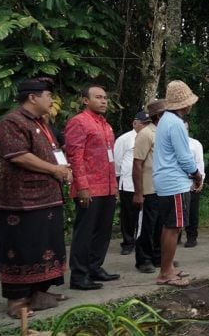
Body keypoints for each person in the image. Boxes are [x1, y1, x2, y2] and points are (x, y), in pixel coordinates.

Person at [0, 78, 71, 317]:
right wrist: (54, 170)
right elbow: (18, 156)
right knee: (23, 248)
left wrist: (63, 169)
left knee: (46, 247)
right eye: (48, 96)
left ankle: (39, 292)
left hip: (47, 196)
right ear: (32, 97)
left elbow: (54, 151)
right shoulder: (11, 122)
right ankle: (16, 302)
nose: (52, 101)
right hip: (22, 201)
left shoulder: (42, 123)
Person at [65, 85, 119, 290]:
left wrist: (114, 187)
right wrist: (82, 187)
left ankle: (95, 268)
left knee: (103, 232)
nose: (103, 101)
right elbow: (75, 157)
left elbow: (110, 159)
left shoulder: (106, 125)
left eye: (105, 97)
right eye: (98, 97)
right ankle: (79, 276)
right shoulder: (79, 122)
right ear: (85, 101)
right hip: (89, 188)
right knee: (85, 232)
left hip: (107, 188)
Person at [153, 80, 203, 286]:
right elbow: (184, 157)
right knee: (174, 227)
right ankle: (165, 273)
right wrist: (197, 174)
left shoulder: (165, 119)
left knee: (169, 226)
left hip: (165, 180)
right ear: (185, 104)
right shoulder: (176, 124)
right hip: (175, 183)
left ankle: (169, 267)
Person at [132, 99, 167, 274]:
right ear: (159, 115)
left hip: (163, 187)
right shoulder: (146, 134)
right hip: (149, 188)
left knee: (162, 224)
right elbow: (137, 163)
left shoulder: (164, 132)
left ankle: (158, 257)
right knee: (148, 225)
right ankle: (143, 259)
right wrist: (138, 192)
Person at [114, 112, 151, 255]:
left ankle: (143, 241)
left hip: (147, 182)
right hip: (128, 183)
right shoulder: (124, 139)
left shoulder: (151, 136)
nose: (146, 126)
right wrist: (117, 183)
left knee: (145, 214)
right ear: (135, 123)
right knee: (129, 215)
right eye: (144, 123)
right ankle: (128, 242)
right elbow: (117, 162)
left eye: (148, 123)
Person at [181, 121, 205, 248]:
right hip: (176, 184)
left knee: (192, 211)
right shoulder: (169, 143)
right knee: (176, 212)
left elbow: (199, 163)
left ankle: (191, 236)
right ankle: (176, 236)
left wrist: (200, 181)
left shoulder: (195, 144)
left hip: (192, 182)